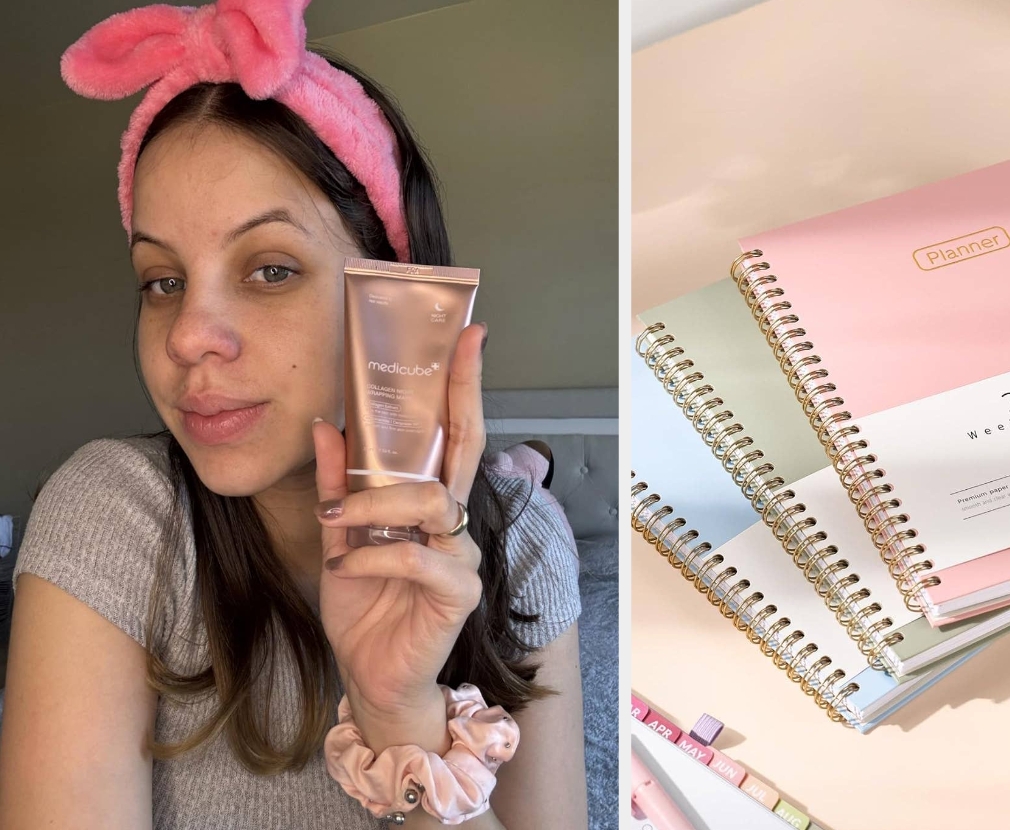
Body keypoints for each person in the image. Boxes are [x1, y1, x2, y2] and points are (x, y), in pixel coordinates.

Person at [0, 2, 588, 827]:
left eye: (269, 269)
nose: (189, 340)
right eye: (162, 281)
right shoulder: (115, 514)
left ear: (396, 296)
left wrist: (399, 717)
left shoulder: (522, 541)